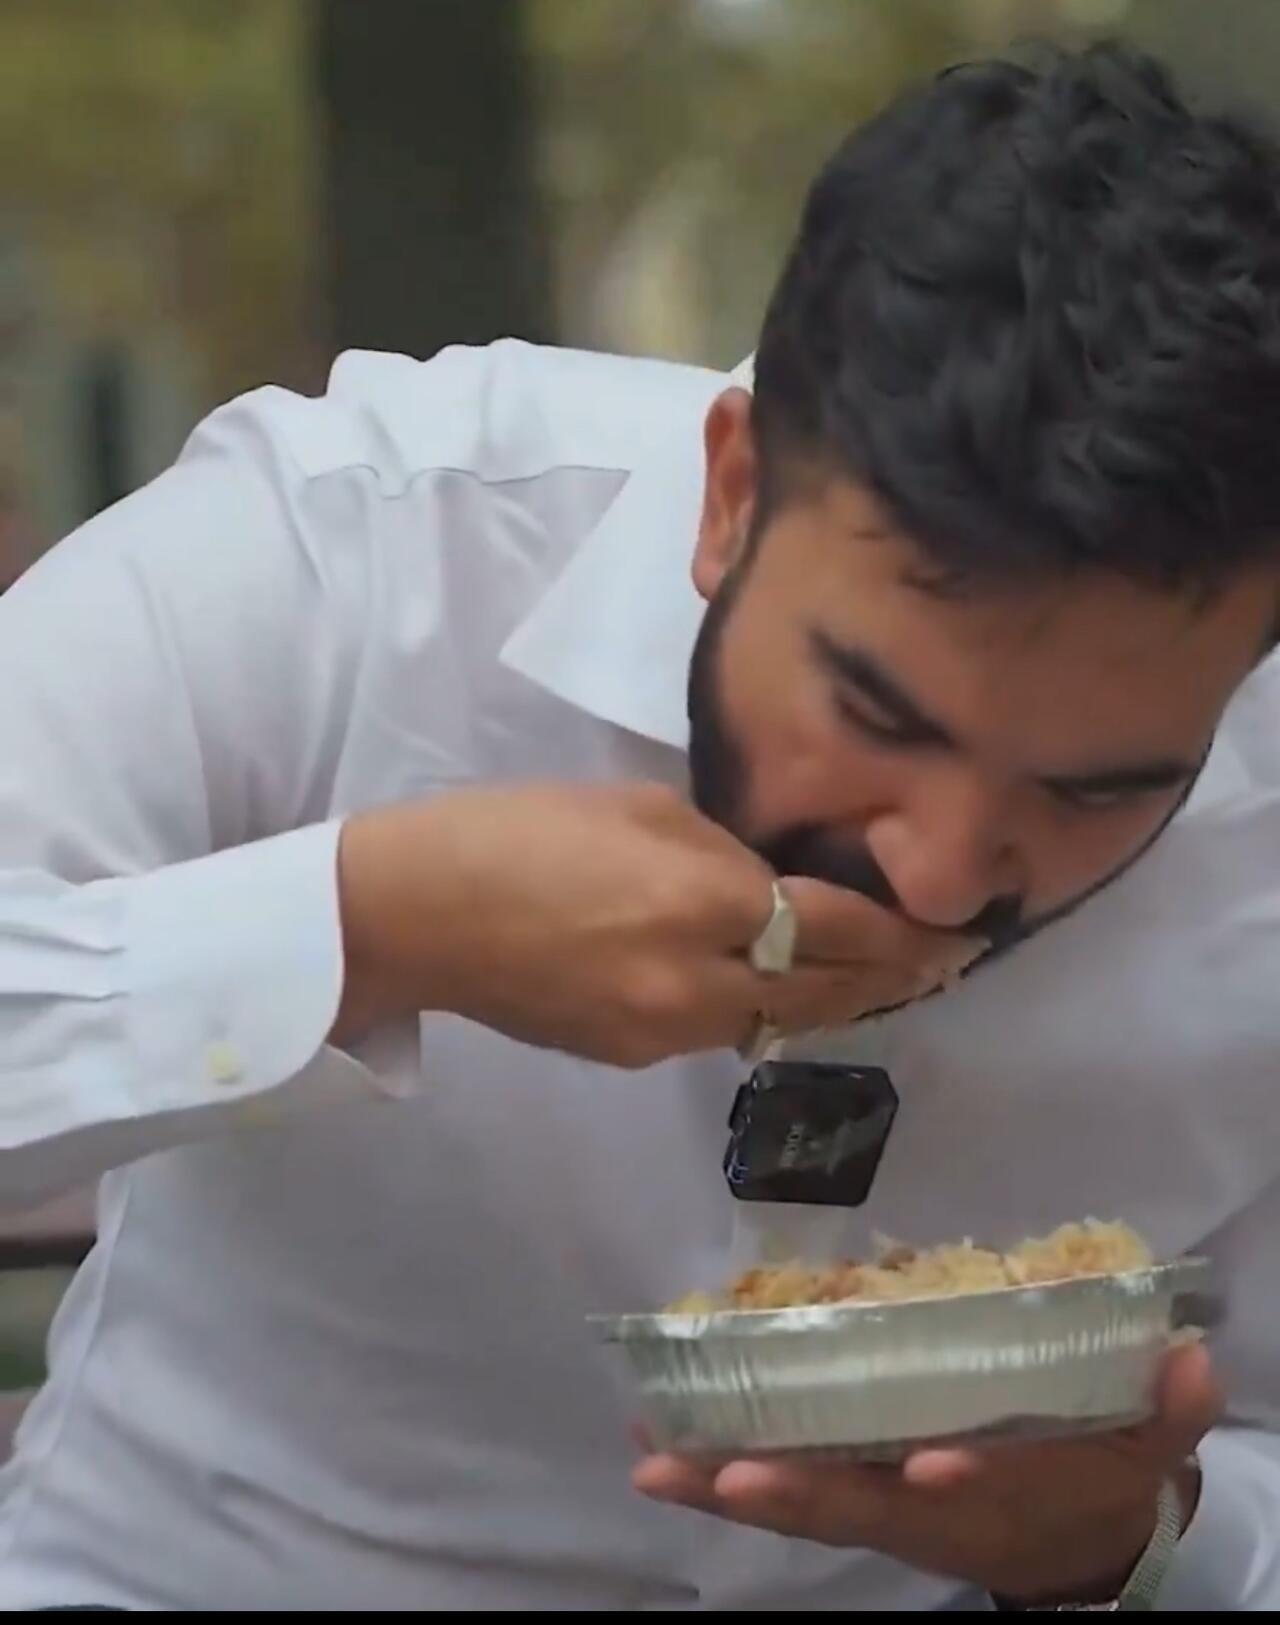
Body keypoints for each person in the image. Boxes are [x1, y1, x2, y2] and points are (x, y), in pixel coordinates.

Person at [0, 40, 1279, 1611]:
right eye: (879, 715)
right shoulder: (363, 542)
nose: (942, 874)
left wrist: (1128, 1545)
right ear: (730, 491)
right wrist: (370, 926)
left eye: (1098, 789)